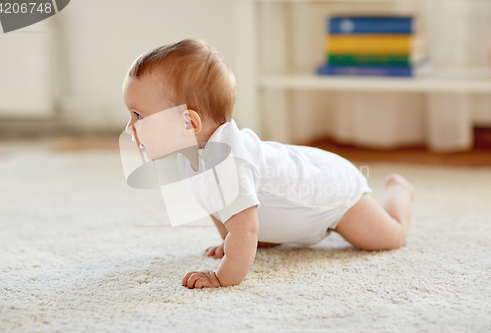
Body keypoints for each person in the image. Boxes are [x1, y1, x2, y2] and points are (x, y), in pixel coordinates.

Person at [122, 38, 414, 289]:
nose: (130, 127)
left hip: (333, 193)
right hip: (298, 200)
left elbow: (246, 230)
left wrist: (222, 276)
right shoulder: (187, 157)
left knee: (388, 237)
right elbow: (215, 205)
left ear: (189, 123)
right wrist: (229, 241)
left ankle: (400, 192)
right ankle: (273, 235)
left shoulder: (231, 165)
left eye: (139, 116)